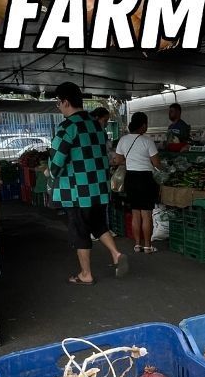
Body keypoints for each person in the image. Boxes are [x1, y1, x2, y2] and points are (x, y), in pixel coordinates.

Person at [49, 81, 128, 284]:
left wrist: (50, 172)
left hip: (77, 190)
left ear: (65, 102)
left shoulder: (67, 126)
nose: (58, 106)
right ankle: (116, 254)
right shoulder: (95, 124)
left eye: (58, 102)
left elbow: (57, 160)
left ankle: (86, 274)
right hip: (99, 188)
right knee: (98, 224)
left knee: (80, 231)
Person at [112, 111, 162, 253]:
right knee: (146, 214)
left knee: (135, 213)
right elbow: (157, 163)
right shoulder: (147, 141)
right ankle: (147, 246)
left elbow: (118, 160)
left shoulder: (123, 140)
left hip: (131, 178)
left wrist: (132, 161)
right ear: (144, 125)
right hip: (145, 179)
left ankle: (137, 245)